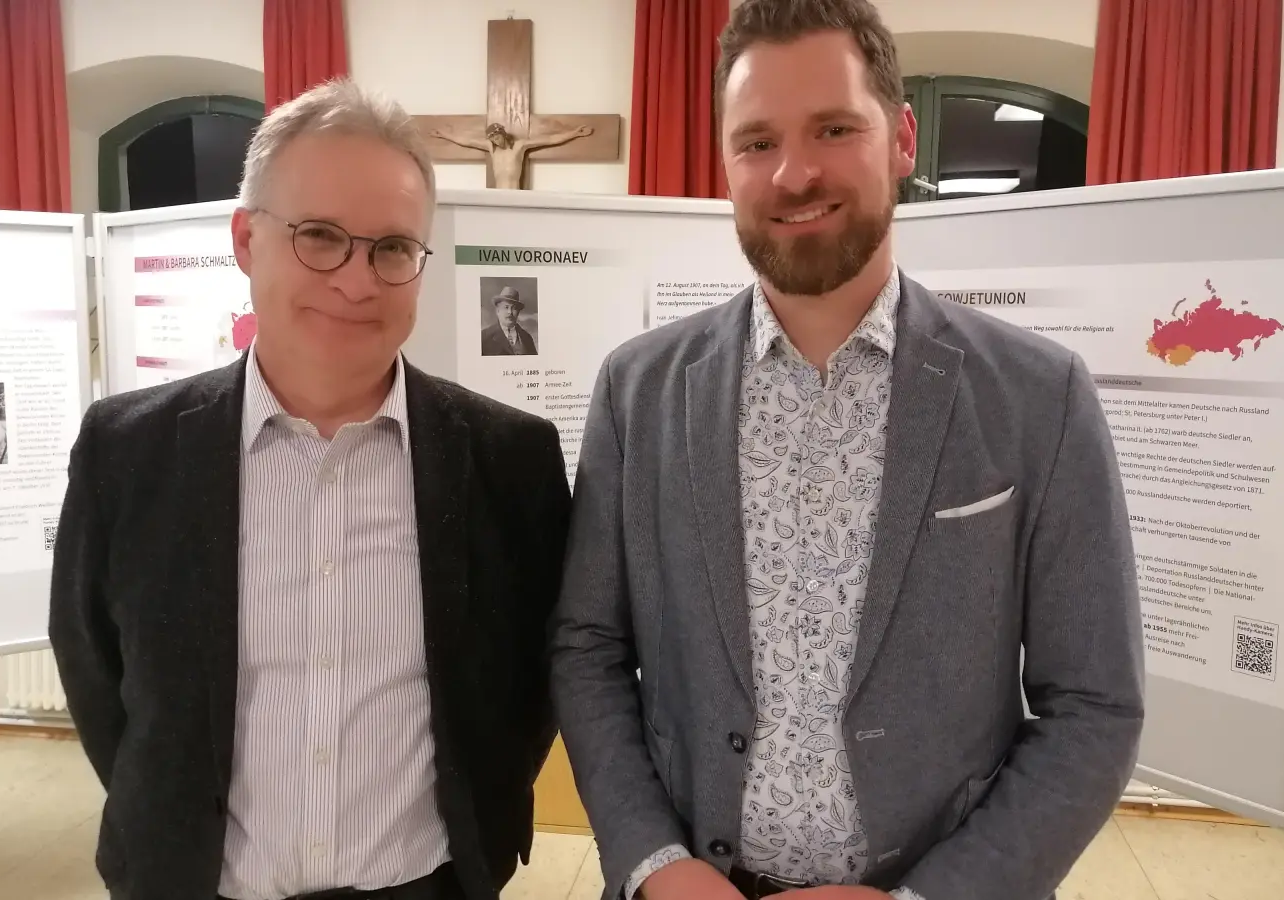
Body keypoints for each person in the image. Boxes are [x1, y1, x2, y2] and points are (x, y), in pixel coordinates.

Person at [549, 2, 1145, 900]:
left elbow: (1095, 708)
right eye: (756, 142)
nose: (794, 172)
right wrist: (652, 862)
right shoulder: (638, 391)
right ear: (724, 159)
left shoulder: (1038, 397)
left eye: (834, 128)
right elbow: (588, 647)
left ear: (901, 137)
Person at [49, 77, 571, 900]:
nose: (357, 281)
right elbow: (93, 665)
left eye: (392, 248)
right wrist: (171, 815)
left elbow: (531, 681)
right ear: (245, 240)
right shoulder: (129, 451)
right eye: (319, 236)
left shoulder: (508, 460)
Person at [429, 121, 595, 190]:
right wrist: (444, 135)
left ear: (502, 134)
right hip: (496, 196)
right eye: (492, 138)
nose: (494, 140)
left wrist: (574, 133)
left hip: (515, 194)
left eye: (496, 136)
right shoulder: (492, 148)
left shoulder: (519, 147)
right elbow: (467, 141)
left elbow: (549, 139)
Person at [481, 286, 538, 355]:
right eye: (506, 307)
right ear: (498, 311)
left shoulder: (527, 338)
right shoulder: (484, 337)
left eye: (514, 308)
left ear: (518, 312)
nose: (510, 312)